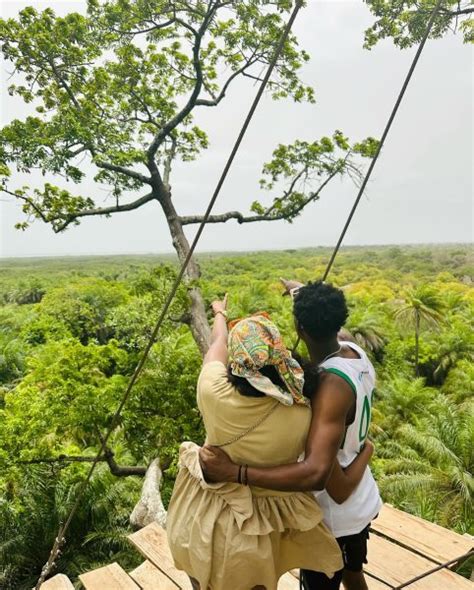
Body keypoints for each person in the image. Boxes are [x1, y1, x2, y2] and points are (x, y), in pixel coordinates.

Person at [200, 281, 382, 590]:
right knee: (353, 575)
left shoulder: (328, 387)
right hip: (362, 501)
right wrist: (300, 292)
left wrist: (236, 472)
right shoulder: (354, 350)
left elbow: (316, 474)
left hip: (332, 518)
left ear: (298, 327)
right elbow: (335, 329)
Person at [166, 295, 343, 590]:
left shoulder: (213, 392)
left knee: (200, 576)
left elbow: (216, 346)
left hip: (205, 510)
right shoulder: (301, 411)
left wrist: (220, 314)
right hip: (259, 527)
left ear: (236, 363)